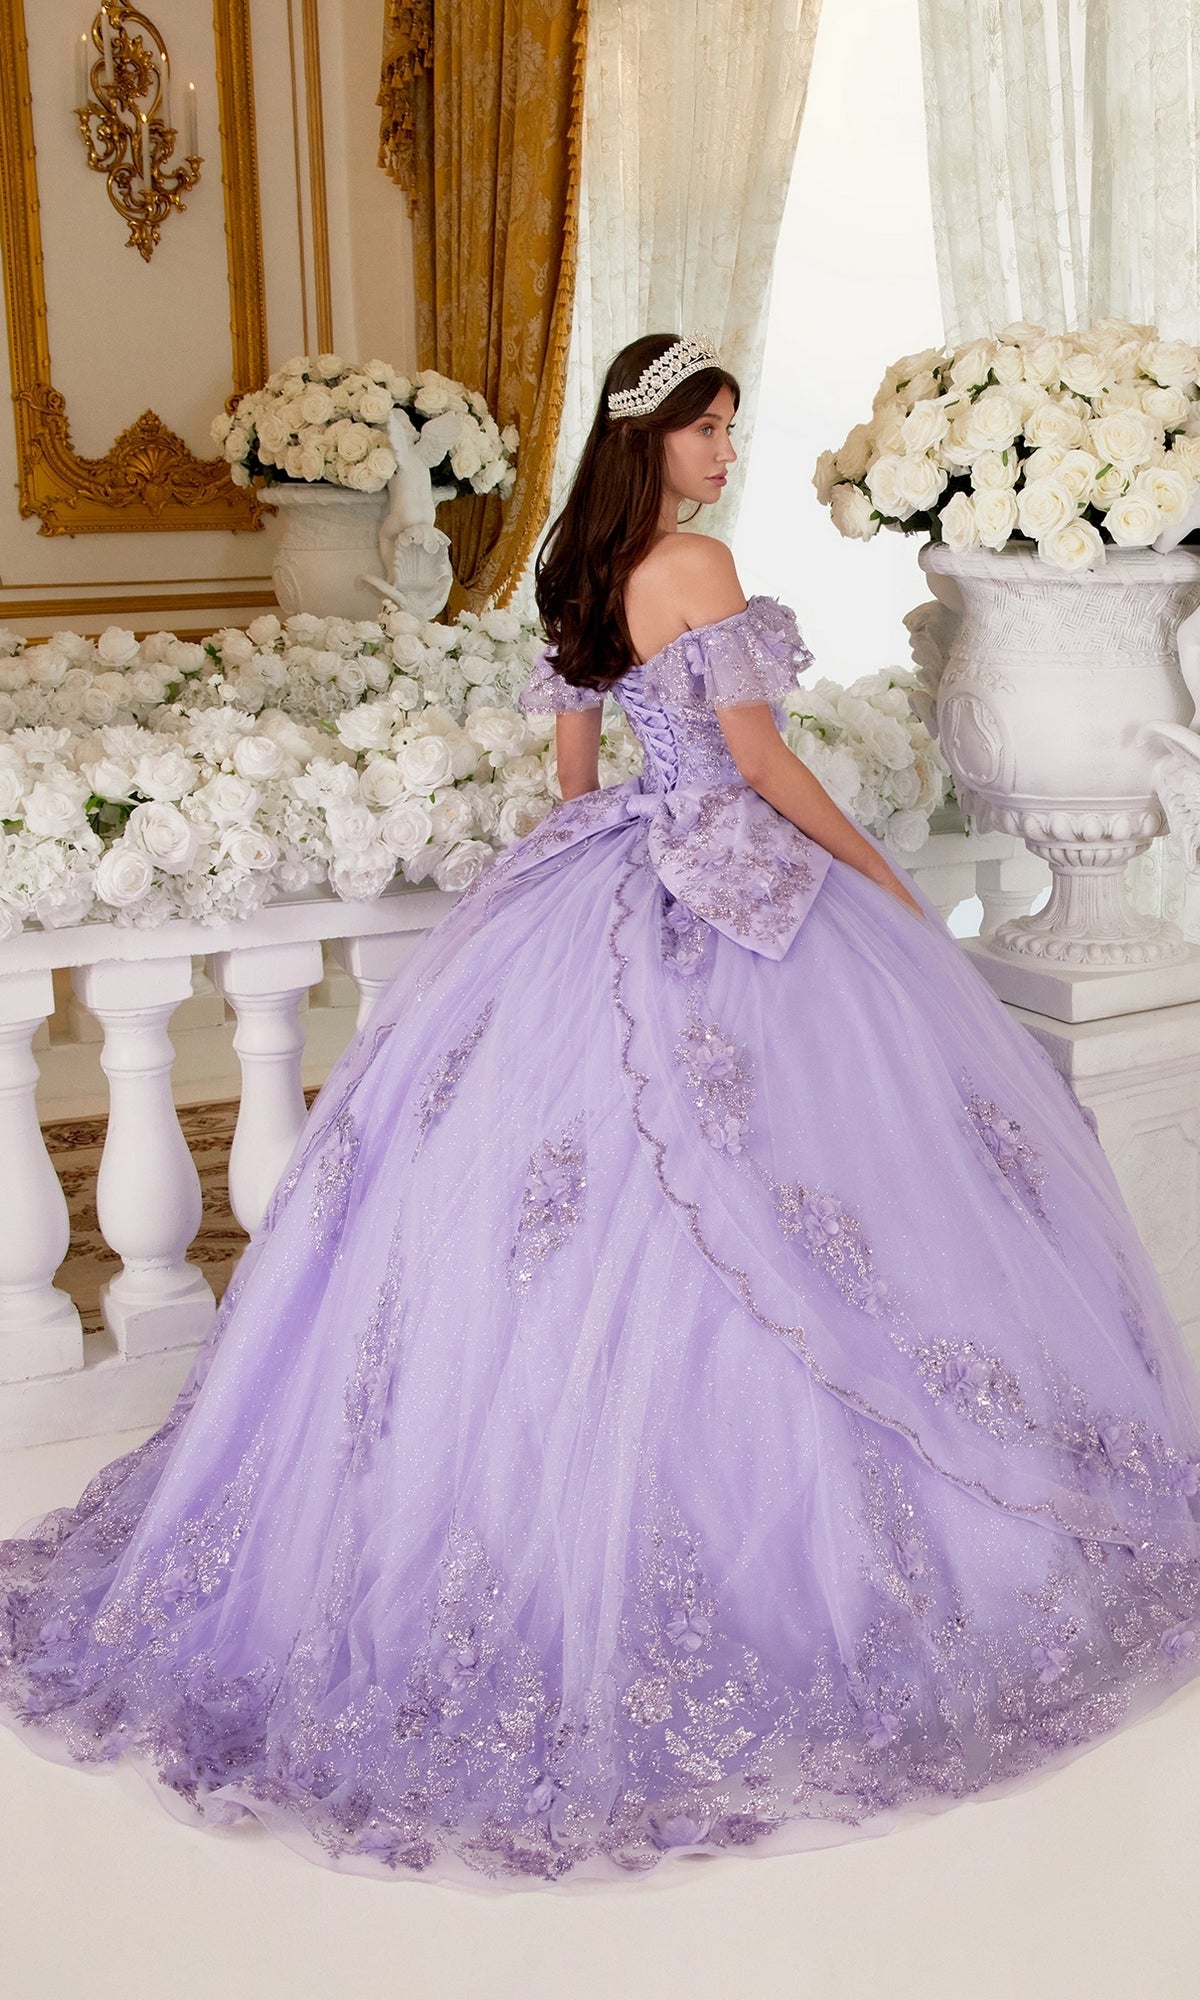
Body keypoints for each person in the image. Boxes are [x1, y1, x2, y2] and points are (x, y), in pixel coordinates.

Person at [2, 334, 1199, 1893]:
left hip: (594, 890)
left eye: (728, 429)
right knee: (787, 1178)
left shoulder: (579, 566)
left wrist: (612, 888)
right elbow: (760, 761)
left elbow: (575, 785)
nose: (722, 452)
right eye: (706, 429)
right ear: (656, 439)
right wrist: (876, 876)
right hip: (735, 891)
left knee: (576, 1201)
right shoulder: (695, 560)